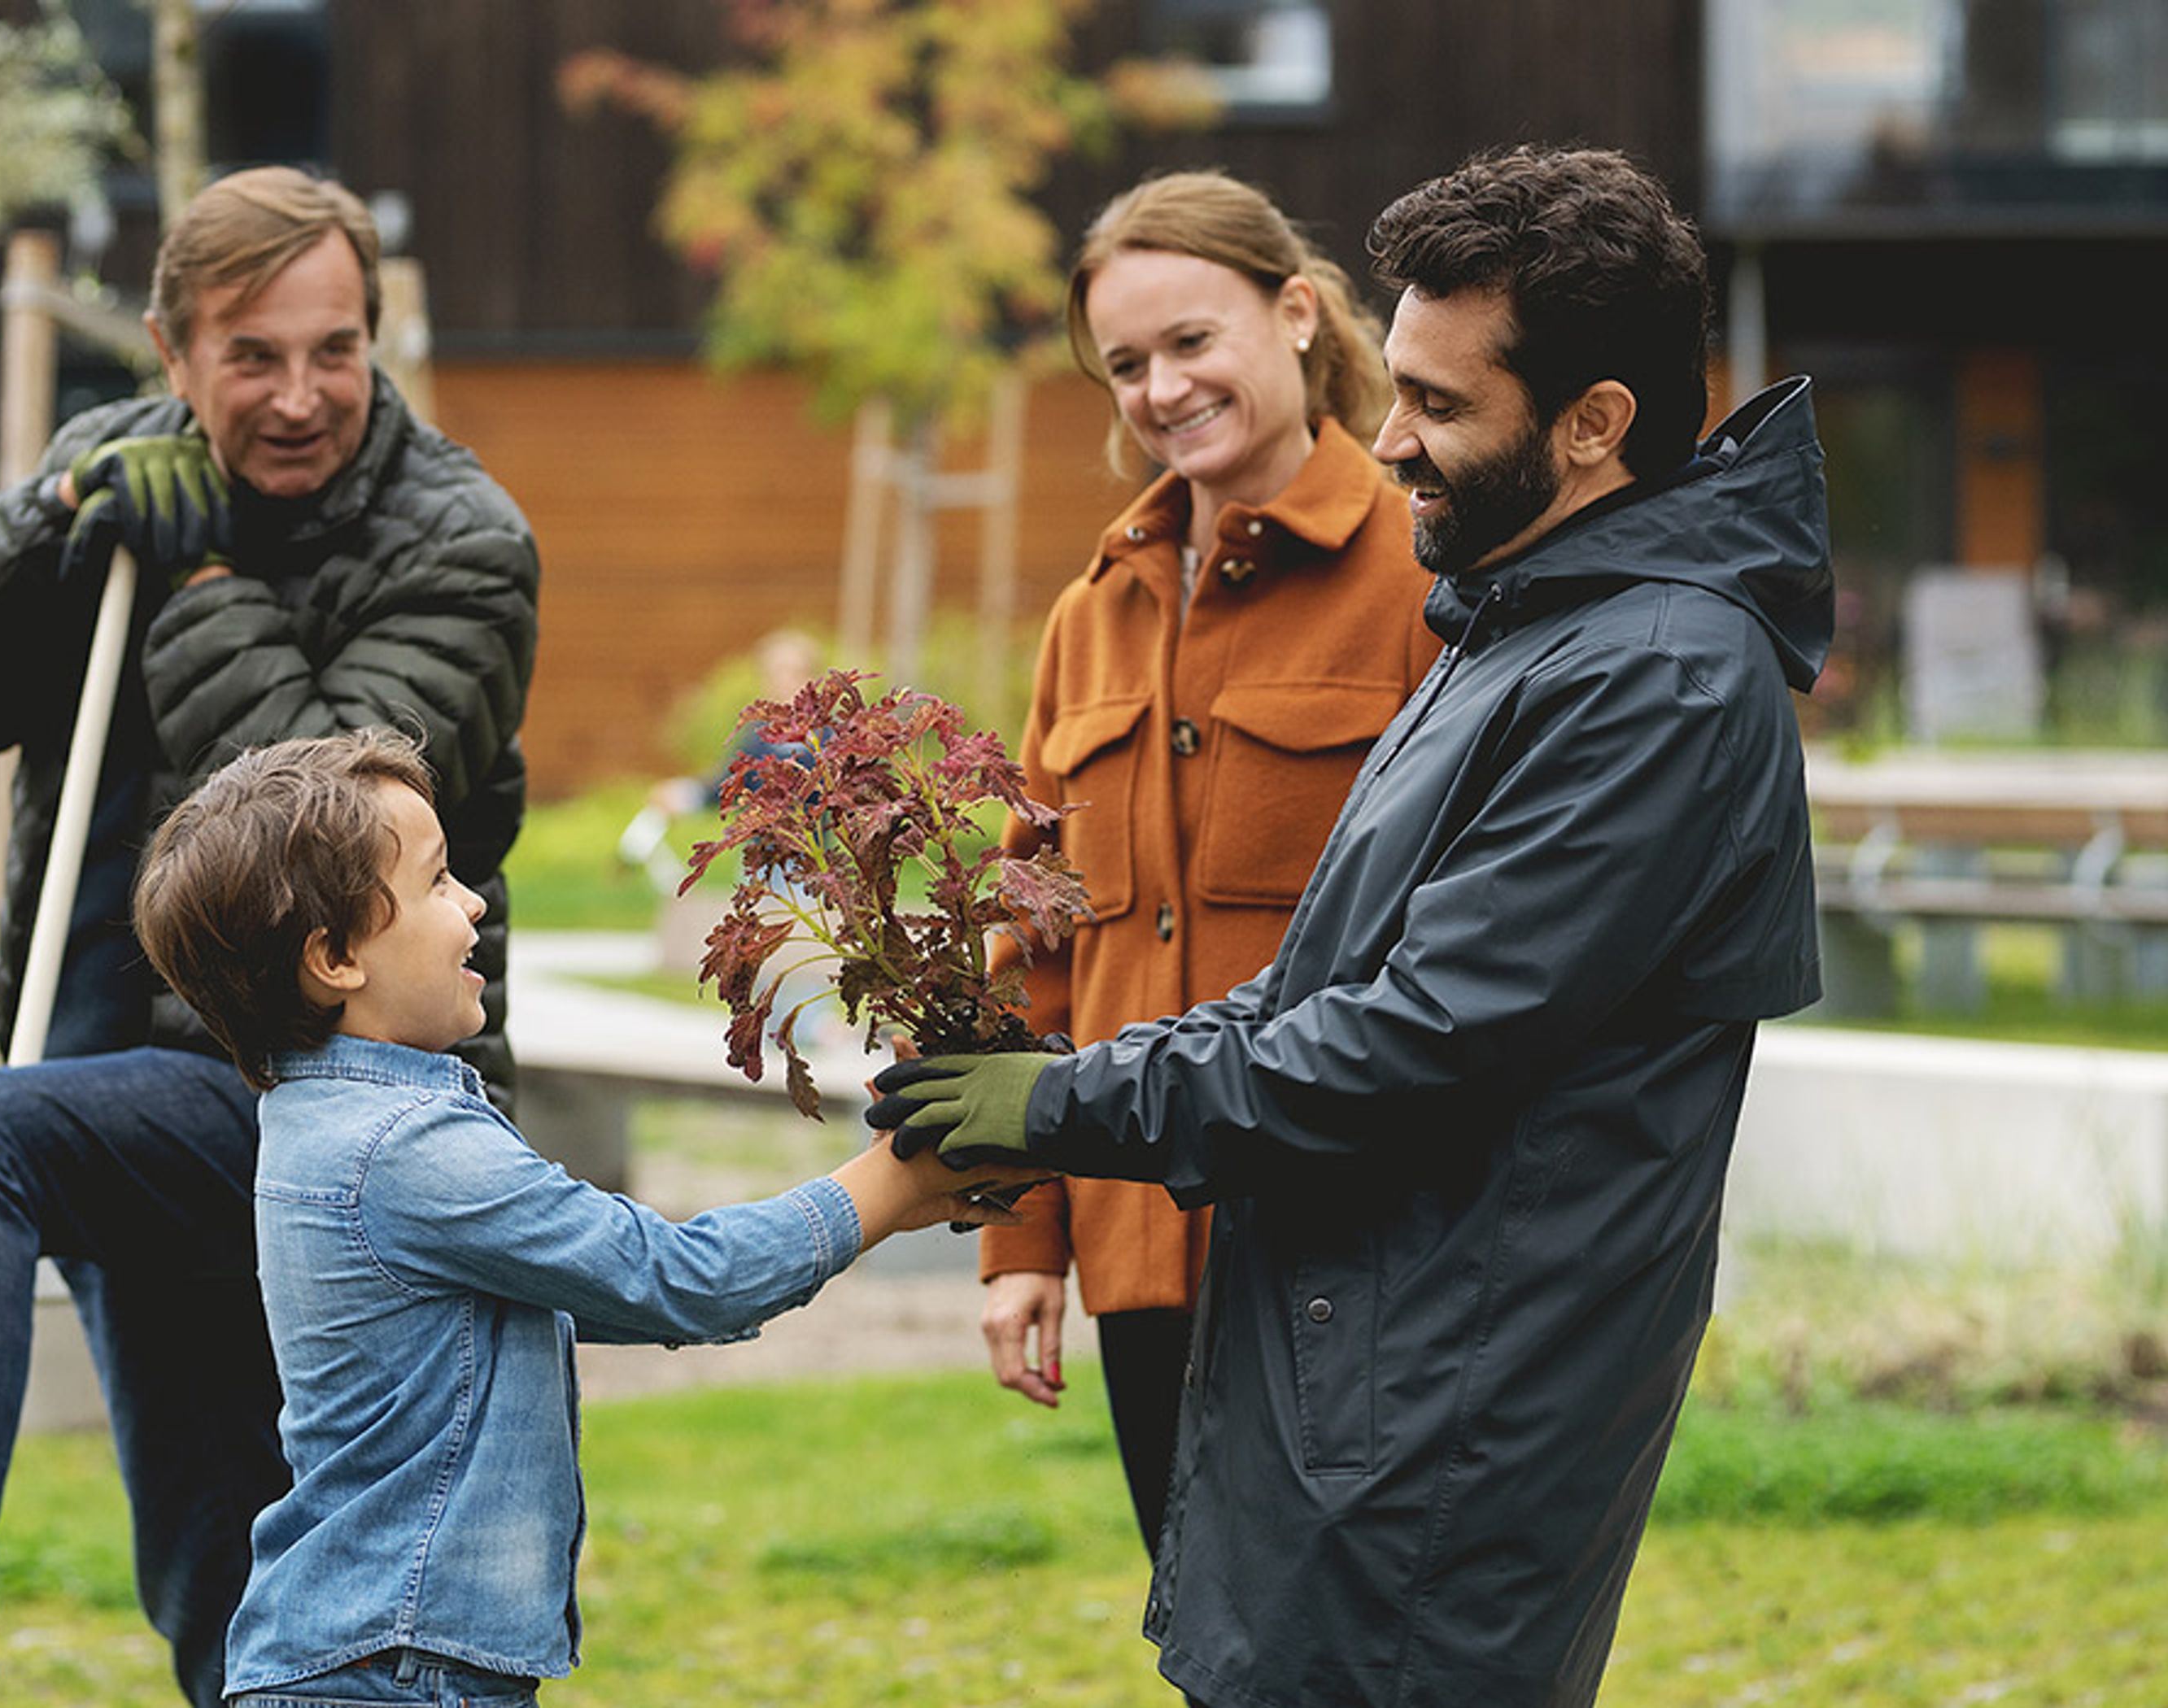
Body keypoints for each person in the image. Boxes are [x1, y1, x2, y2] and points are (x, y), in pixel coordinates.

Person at [870, 144, 1831, 1708]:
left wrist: (1065, 1099)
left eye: (1441, 406)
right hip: (1347, 1338)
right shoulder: (1519, 618)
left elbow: (1417, 1035)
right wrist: (1041, 1143)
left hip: (1451, 1384)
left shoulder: (1651, 674)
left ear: (1596, 426)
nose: (1390, 438)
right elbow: (1320, 979)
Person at [0, 168, 539, 1708]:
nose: (301, 395)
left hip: (324, 1103)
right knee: (215, 1579)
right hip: (114, 1077)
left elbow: (328, 843)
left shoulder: (459, 539)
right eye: (252, 356)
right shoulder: (108, 475)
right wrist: (53, 515)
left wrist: (199, 581)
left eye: (336, 349)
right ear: (171, 351)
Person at [129, 729, 1037, 1706]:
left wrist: (885, 1206)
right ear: (335, 956)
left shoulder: (327, 1121)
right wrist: (886, 1184)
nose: (474, 903)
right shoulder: (402, 1148)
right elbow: (678, 1279)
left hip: (370, 1656)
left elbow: (603, 1287)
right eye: (437, 884)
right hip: (392, 1672)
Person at [974, 170, 1445, 1557]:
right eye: (1126, 364)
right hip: (1136, 1253)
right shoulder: (1090, 617)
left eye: (1192, 341)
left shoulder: (1427, 579)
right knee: (1208, 1655)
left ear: (1297, 314)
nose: (1161, 388)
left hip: (1347, 1254)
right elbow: (1033, 956)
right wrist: (1019, 1245)